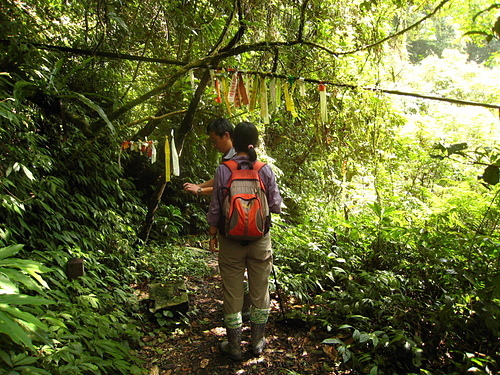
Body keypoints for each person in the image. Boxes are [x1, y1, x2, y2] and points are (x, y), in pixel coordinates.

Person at [207, 121, 282, 360]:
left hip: (229, 240)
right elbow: (276, 207)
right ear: (256, 142)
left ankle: (235, 346)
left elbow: (216, 209)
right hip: (260, 240)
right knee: (260, 292)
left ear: (233, 141)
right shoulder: (265, 169)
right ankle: (257, 343)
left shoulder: (224, 169)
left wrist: (211, 235)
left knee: (232, 292)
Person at [183, 118, 236, 196]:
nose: (214, 145)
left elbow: (226, 188)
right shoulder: (228, 156)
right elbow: (219, 180)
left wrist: (200, 190)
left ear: (226, 135)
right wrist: (198, 186)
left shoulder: (237, 158)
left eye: (215, 141)